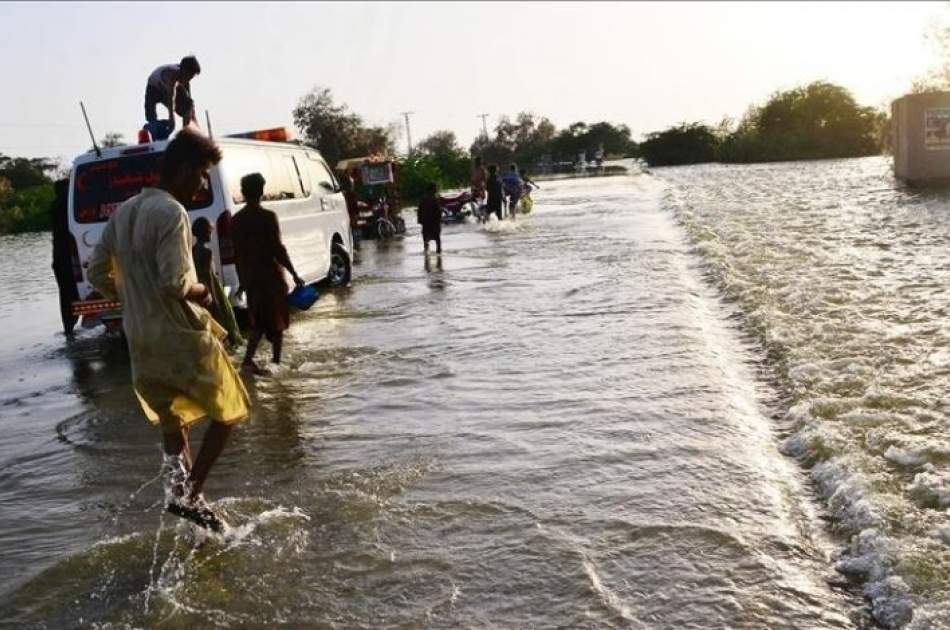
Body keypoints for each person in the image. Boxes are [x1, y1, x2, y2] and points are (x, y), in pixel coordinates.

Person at [86, 129, 250, 532]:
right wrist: (206, 295)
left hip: (140, 341)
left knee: (174, 423)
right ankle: (190, 495)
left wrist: (131, 297)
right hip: (178, 335)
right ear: (186, 169)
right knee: (230, 409)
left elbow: (95, 272)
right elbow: (174, 284)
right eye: (201, 177)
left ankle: (193, 513)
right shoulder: (172, 212)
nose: (201, 186)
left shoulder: (123, 211)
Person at [231, 173, 304, 375]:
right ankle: (272, 363)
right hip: (270, 277)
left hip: (251, 278)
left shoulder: (236, 221)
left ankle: (255, 362)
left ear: (243, 192)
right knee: (276, 321)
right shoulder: (267, 217)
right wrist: (294, 273)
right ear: (261, 191)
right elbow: (278, 249)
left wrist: (242, 281)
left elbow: (238, 254)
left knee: (260, 320)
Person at [191, 217, 243, 350]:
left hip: (199, 288)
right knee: (223, 321)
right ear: (204, 234)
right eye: (209, 232)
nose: (211, 234)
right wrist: (215, 300)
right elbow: (208, 277)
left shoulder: (192, 251)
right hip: (211, 289)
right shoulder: (206, 252)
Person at [144, 56, 201, 140]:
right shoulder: (171, 75)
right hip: (153, 88)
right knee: (151, 116)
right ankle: (157, 128)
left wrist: (195, 125)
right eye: (188, 77)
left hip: (169, 88)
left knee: (187, 107)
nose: (188, 80)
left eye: (191, 78)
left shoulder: (185, 77)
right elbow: (171, 97)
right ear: (183, 71)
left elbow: (189, 102)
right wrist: (171, 118)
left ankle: (186, 135)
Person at [49, 178, 79, 334]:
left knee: (66, 296)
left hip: (60, 259)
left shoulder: (55, 206)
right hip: (68, 257)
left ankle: (69, 329)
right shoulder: (67, 204)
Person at [417, 181, 442, 254]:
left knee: (426, 238)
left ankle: (426, 253)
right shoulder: (435, 198)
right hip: (434, 222)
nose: (436, 190)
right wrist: (440, 219)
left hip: (426, 222)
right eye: (436, 188)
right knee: (437, 239)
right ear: (433, 189)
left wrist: (420, 220)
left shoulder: (423, 198)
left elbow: (419, 210)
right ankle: (438, 253)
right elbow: (438, 210)